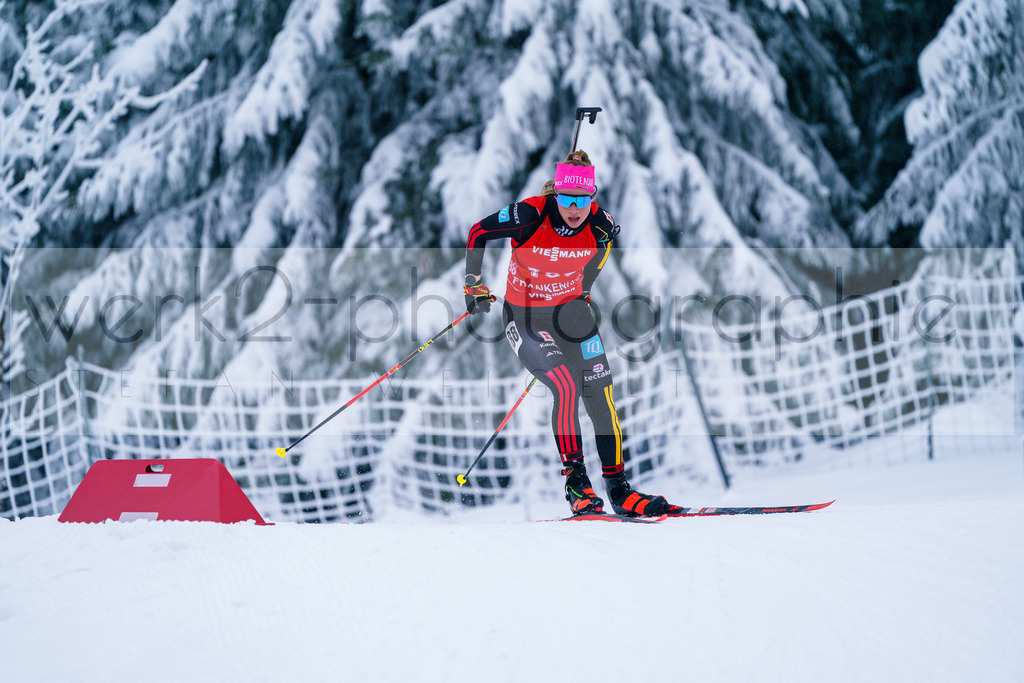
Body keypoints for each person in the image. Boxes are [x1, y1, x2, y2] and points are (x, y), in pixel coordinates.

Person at [463, 150, 672, 517]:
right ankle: (577, 485)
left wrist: (585, 287)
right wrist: (473, 285)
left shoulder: (601, 223)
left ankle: (620, 490)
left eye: (582, 200)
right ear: (554, 196)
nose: (574, 209)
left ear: (591, 198)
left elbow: (602, 251)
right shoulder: (529, 215)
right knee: (565, 384)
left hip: (573, 316)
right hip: (525, 319)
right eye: (566, 199)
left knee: (601, 394)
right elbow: (478, 232)